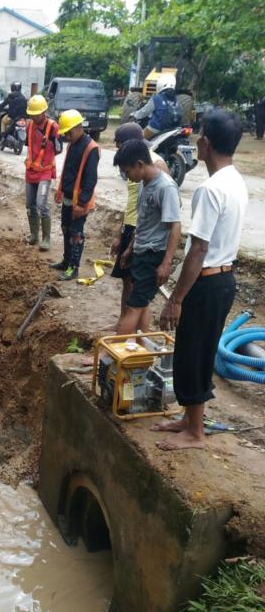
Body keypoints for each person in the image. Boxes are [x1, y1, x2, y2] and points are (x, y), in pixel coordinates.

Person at [154, 109, 248, 451]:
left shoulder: (209, 189)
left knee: (195, 352)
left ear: (205, 143)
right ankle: (188, 418)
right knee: (196, 349)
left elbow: (198, 248)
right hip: (223, 279)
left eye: (200, 136)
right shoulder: (235, 180)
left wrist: (175, 298)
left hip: (207, 281)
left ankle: (195, 433)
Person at [115, 139, 181, 335]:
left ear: (140, 165)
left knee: (133, 306)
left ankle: (109, 359)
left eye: (127, 172)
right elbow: (142, 221)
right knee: (141, 302)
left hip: (154, 253)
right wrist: (130, 249)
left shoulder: (165, 187)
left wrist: (166, 263)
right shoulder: (145, 183)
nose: (127, 176)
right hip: (142, 250)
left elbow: (175, 225)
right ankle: (141, 348)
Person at [110, 123, 169, 320]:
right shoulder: (134, 169)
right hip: (134, 229)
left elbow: (168, 216)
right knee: (128, 281)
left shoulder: (156, 168)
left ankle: (129, 331)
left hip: (146, 238)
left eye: (120, 146)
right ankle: (123, 322)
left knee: (139, 290)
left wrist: (165, 259)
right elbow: (133, 204)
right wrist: (122, 234)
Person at [50, 109, 100, 281]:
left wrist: (82, 203)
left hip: (80, 202)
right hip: (68, 197)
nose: (67, 137)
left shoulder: (91, 148)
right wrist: (60, 190)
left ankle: (73, 267)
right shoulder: (73, 145)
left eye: (69, 133)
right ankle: (66, 260)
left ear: (79, 127)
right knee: (66, 229)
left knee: (76, 234)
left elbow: (90, 179)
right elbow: (68, 171)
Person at [24, 94, 62, 251]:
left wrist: (51, 142)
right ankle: (34, 235)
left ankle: (46, 238)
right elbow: (29, 145)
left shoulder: (53, 127)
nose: (34, 117)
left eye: (36, 114)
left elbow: (59, 149)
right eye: (31, 114)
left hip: (45, 172)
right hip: (31, 171)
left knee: (41, 204)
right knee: (30, 204)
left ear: (43, 112)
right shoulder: (29, 125)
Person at [132, 74, 182, 139]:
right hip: (172, 129)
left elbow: (144, 111)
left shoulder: (156, 98)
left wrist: (135, 115)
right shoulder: (176, 99)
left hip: (156, 128)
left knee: (139, 140)